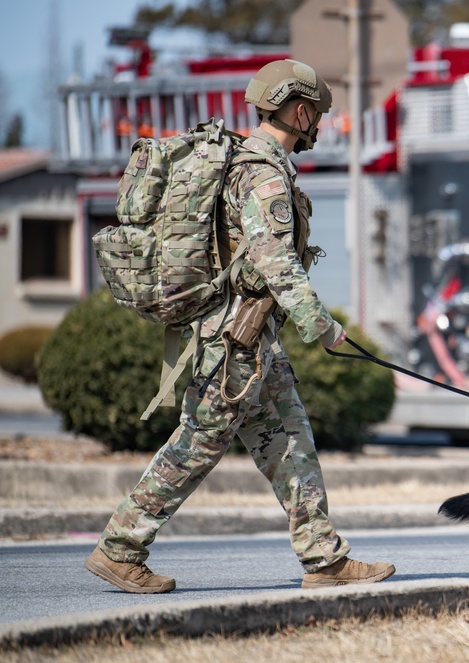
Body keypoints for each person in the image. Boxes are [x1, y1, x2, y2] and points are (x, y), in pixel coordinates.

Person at [84, 59, 395, 593]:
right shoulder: (264, 174)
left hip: (253, 341)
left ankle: (324, 560)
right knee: (196, 446)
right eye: (316, 112)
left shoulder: (254, 165)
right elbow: (277, 263)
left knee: (292, 443)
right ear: (299, 112)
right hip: (235, 345)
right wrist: (322, 327)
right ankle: (120, 547)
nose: (318, 122)